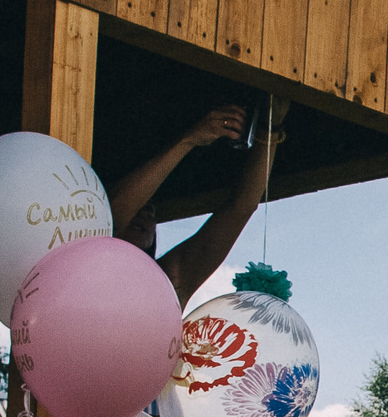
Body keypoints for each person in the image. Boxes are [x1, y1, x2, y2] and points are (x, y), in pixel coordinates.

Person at [108, 99, 287, 303]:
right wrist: (189, 139)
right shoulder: (87, 256)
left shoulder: (168, 279)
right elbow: (113, 215)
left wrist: (270, 128)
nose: (143, 214)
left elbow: (242, 206)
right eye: (137, 205)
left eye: (150, 209)